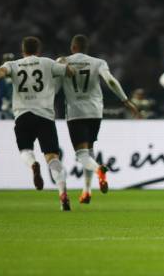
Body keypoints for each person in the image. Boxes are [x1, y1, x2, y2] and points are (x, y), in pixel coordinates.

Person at [0, 36, 75, 210]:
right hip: (45, 116)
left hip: (23, 115)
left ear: (22, 50)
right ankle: (63, 195)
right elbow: (70, 72)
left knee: (25, 150)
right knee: (53, 157)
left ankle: (33, 164)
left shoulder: (13, 65)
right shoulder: (47, 63)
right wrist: (63, 64)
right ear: (38, 50)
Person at [58, 34, 139, 204]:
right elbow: (110, 80)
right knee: (90, 149)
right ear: (87, 49)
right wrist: (125, 100)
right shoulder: (98, 62)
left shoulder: (62, 61)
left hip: (76, 112)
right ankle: (87, 191)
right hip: (95, 111)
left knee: (81, 155)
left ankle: (99, 170)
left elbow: (52, 85)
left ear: (73, 48)